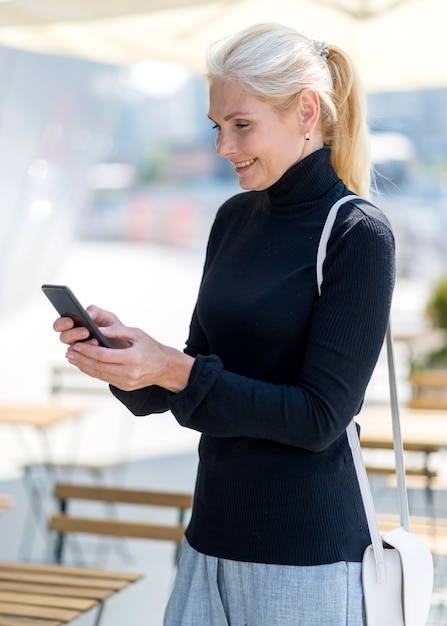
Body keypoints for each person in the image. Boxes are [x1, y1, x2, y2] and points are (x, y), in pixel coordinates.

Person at [54, 22, 395, 626]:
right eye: (218, 127)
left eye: (242, 125)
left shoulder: (356, 234)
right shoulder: (233, 218)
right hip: (209, 537)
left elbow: (320, 418)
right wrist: (128, 363)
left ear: (306, 111)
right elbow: (199, 373)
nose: (223, 147)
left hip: (306, 556)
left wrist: (174, 368)